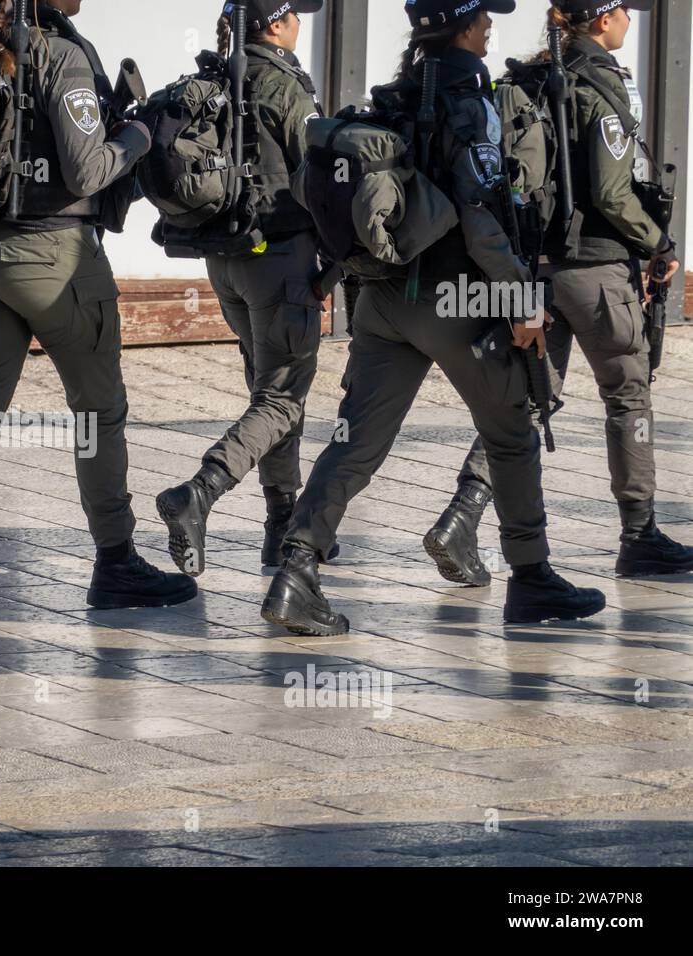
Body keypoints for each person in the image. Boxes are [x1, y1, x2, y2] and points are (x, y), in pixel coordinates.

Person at [261, 0, 607, 635]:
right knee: (510, 435)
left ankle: (296, 572)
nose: (492, 26)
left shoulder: (391, 96)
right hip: (459, 301)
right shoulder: (471, 102)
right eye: (484, 18)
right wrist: (524, 301)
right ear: (464, 27)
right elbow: (482, 218)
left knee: (354, 444)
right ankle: (530, 579)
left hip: (384, 300)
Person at [0, 0, 197, 610]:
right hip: (55, 258)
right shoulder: (63, 54)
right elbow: (85, 173)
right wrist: (134, 136)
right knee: (96, 415)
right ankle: (116, 563)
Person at [425, 0, 690, 584]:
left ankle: (461, 517)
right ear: (601, 19)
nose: (631, 20)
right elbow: (616, 194)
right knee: (628, 394)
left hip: (534, 270)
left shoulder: (527, 80)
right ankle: (639, 534)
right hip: (597, 271)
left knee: (524, 402)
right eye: (624, 10)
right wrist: (660, 246)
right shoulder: (603, 85)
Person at [156, 0, 334, 577]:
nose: (301, 23)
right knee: (281, 399)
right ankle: (198, 493)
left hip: (226, 259)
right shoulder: (284, 85)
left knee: (272, 397)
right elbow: (319, 179)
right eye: (295, 14)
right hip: (279, 262)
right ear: (277, 24)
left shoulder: (213, 76)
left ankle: (281, 525)